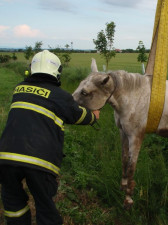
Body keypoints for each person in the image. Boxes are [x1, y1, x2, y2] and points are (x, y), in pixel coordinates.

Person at [0, 50, 100, 225]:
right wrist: (94, 116)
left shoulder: (19, 89)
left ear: (31, 69)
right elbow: (78, 116)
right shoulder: (61, 96)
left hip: (6, 157)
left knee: (13, 203)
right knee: (45, 205)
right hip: (40, 162)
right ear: (57, 72)